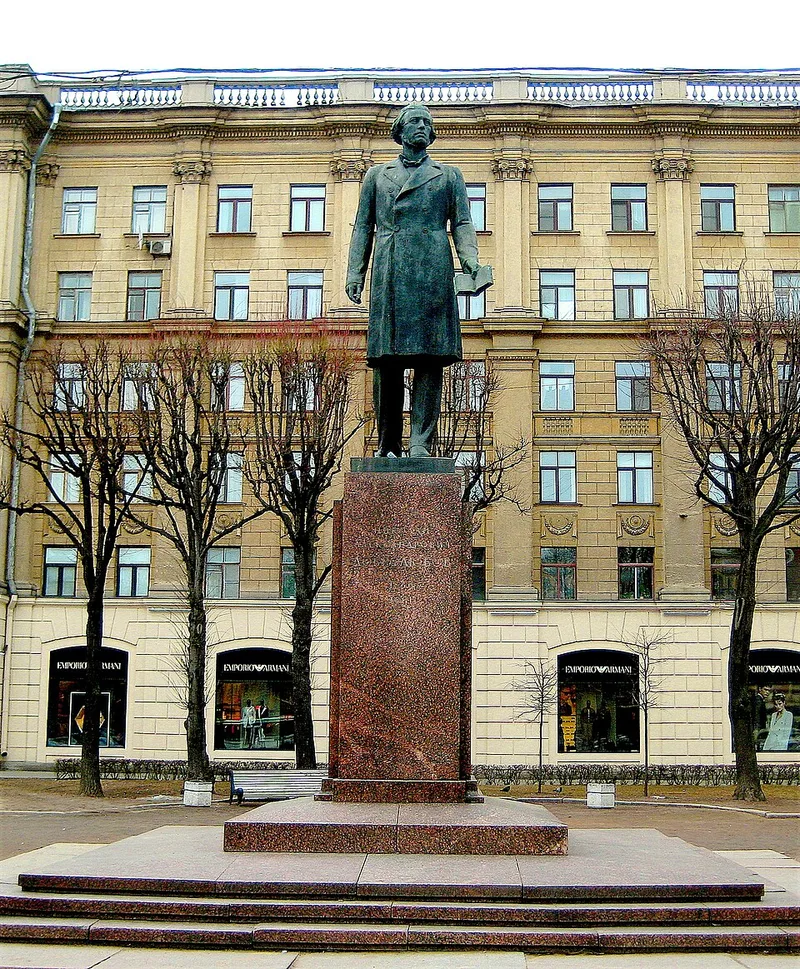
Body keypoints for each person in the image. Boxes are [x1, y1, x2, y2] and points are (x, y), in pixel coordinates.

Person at [345, 104, 483, 458]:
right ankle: (388, 442)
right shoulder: (377, 175)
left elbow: (462, 223)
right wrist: (355, 272)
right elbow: (363, 226)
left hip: (433, 268)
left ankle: (421, 442)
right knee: (387, 361)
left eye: (426, 122)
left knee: (429, 359)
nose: (421, 126)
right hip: (390, 268)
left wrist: (469, 260)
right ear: (400, 132)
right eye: (414, 121)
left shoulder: (448, 175)